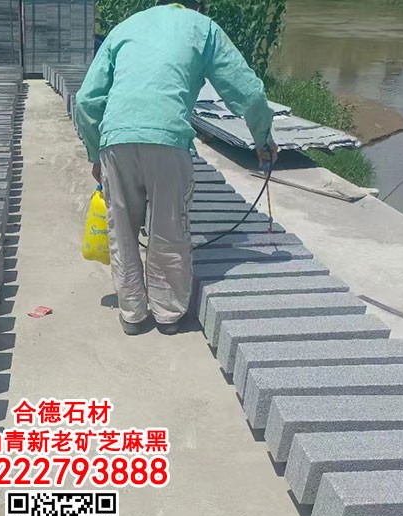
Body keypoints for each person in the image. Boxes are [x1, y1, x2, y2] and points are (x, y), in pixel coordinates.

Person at [75, 0, 278, 335]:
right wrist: (263, 137)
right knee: (168, 230)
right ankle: (167, 315)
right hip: (168, 141)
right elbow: (248, 91)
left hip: (116, 140)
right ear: (201, 5)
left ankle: (132, 314)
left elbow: (85, 100)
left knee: (122, 230)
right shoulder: (203, 28)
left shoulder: (126, 27)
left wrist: (96, 153)